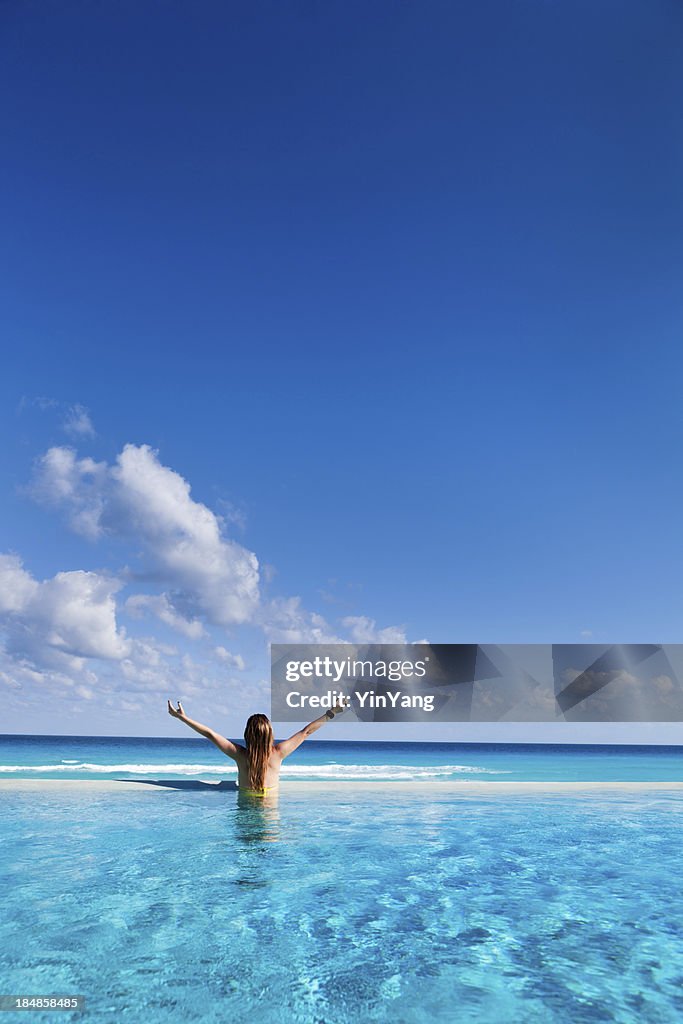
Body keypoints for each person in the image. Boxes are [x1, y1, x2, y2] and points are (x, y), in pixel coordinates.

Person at [167, 699, 348, 795]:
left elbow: (210, 734)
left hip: (245, 813)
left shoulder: (240, 755)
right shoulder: (278, 753)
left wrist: (183, 718)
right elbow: (306, 732)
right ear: (270, 733)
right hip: (270, 818)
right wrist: (331, 713)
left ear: (247, 734)